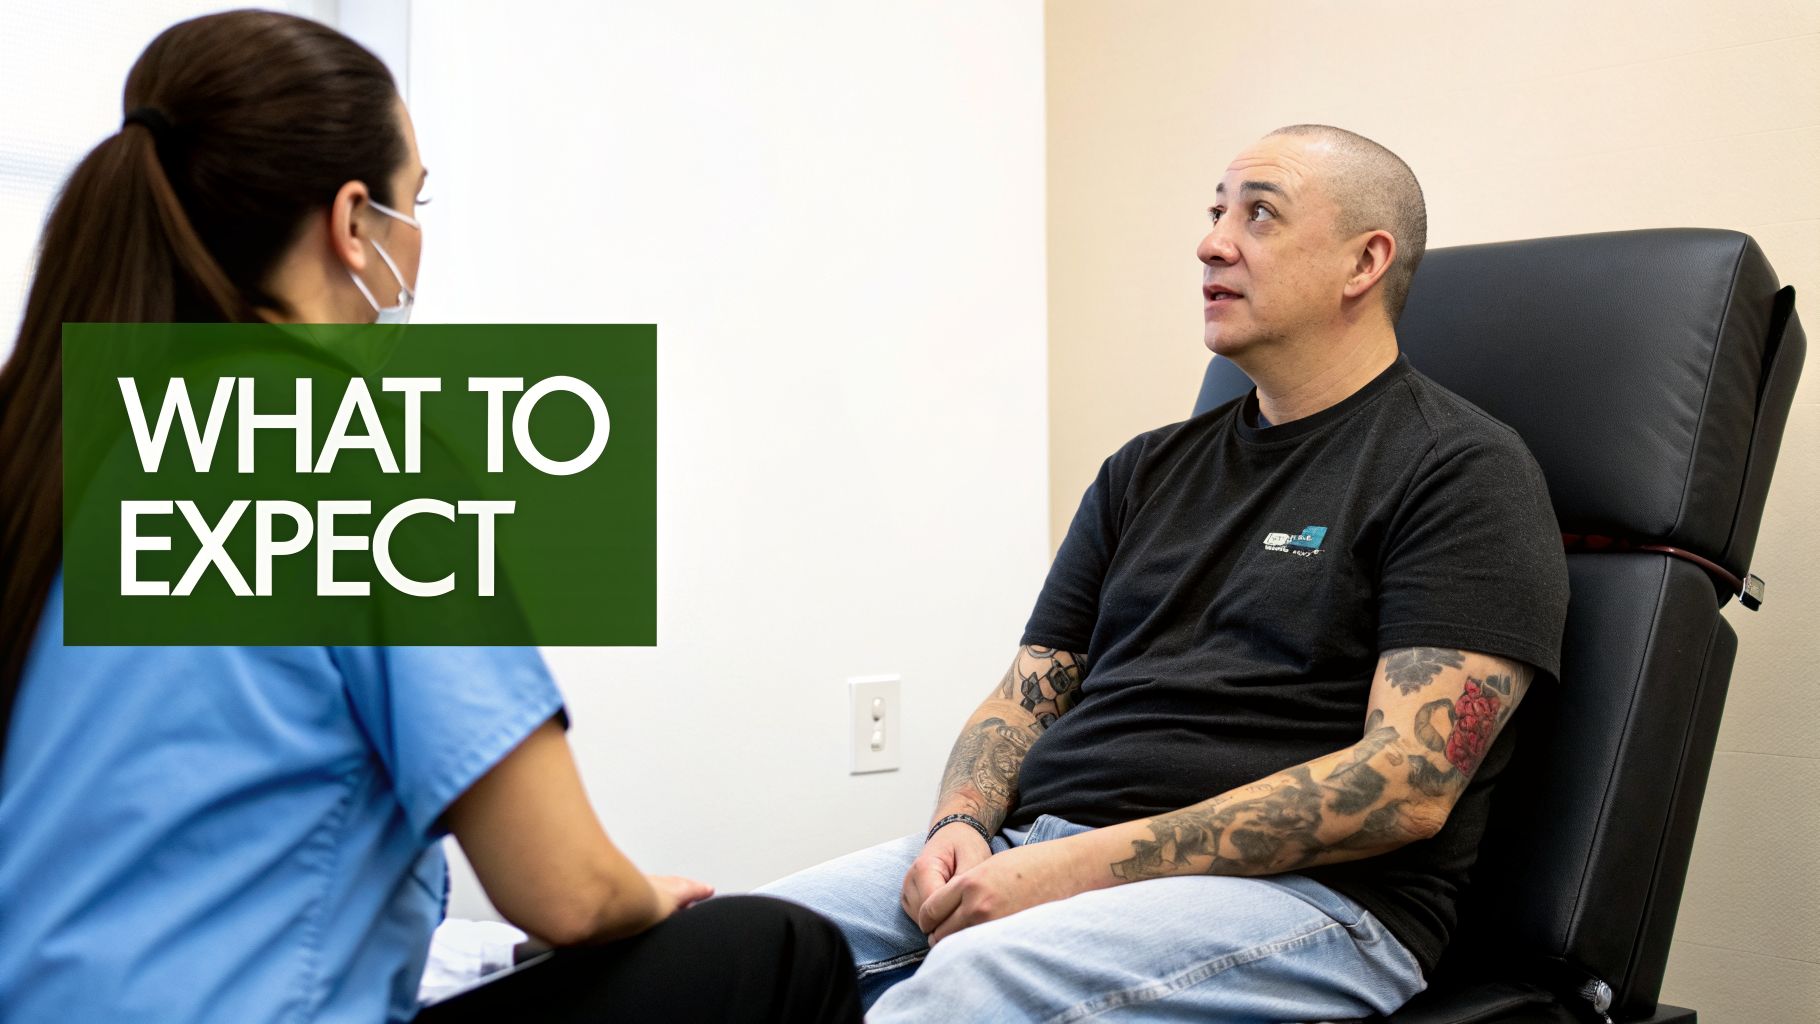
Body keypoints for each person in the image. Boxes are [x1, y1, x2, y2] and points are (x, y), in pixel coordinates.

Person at [0, 12, 859, 1023]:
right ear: (353, 221)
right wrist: (640, 899)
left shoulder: (56, 454)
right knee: (776, 946)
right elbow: (565, 888)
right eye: (418, 200)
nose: (419, 230)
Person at [761, 124, 1570, 1022]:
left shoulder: (1461, 469)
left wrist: (1070, 871)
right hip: (1044, 845)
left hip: (1315, 901)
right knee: (743, 949)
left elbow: (1405, 787)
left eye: (1259, 214)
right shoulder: (1144, 469)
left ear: (1363, 263)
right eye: (1217, 211)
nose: (1212, 240)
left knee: (969, 986)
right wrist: (960, 824)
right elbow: (1022, 700)